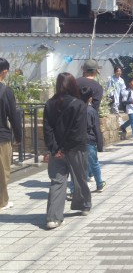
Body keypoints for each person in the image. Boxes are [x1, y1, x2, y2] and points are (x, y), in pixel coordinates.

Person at [43, 72, 91, 229]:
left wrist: (54, 148)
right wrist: (65, 147)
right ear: (72, 85)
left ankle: (53, 218)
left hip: (57, 151)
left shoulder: (50, 104)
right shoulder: (79, 104)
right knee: (80, 178)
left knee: (57, 181)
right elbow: (79, 131)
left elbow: (47, 129)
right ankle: (83, 205)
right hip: (75, 148)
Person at [0, 59, 22, 213]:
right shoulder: (5, 91)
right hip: (2, 136)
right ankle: (2, 201)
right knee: (2, 171)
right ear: (5, 71)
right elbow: (14, 117)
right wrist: (18, 136)